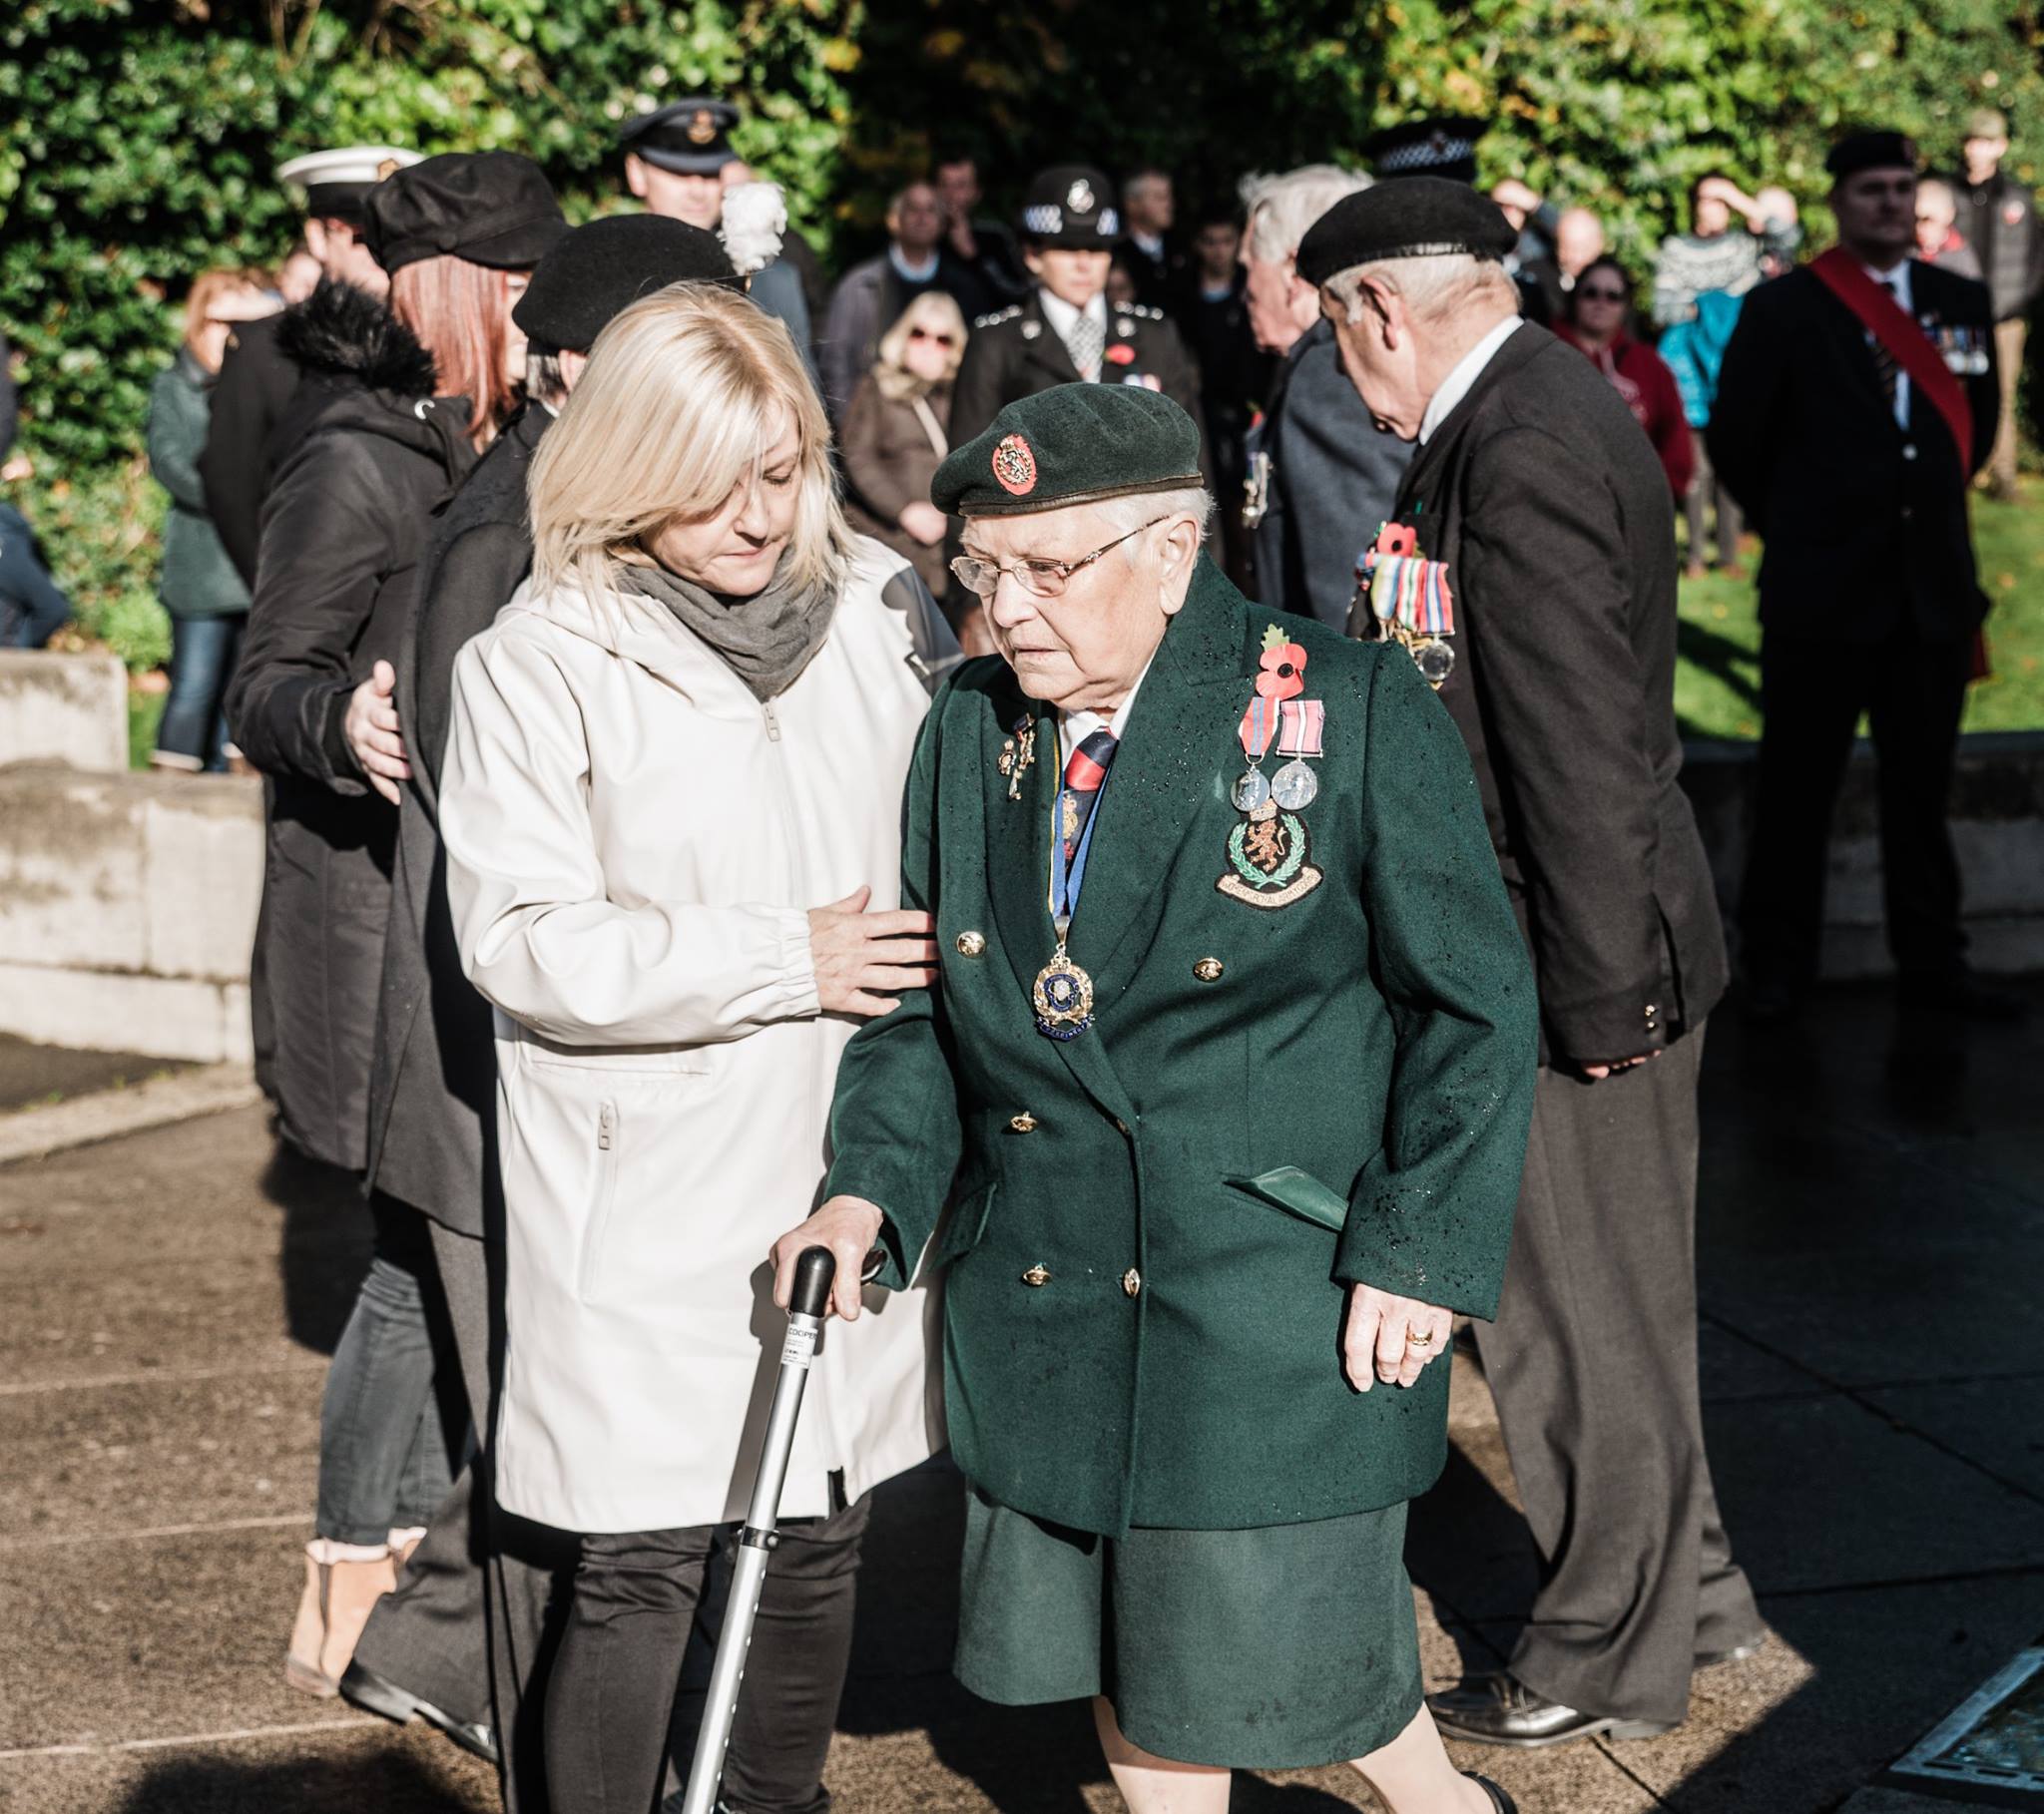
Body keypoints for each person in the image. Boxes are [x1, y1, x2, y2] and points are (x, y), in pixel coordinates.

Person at [766, 380, 1535, 1814]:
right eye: (981, 572)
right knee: (1140, 1666)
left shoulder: (1344, 705)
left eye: (1049, 569)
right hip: (1050, 1299)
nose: (1007, 613)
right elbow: (928, 1004)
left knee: (1320, 1676)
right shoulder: (969, 733)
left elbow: (1476, 1007)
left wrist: (1419, 1252)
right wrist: (865, 1188)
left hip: (1266, 1298)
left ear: (1175, 552)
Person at [436, 282, 951, 1814]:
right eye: (708, 478)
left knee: (814, 1529)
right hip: (644, 1179)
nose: (752, 514)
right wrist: (778, 953)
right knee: (645, 1555)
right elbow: (523, 938)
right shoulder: (534, 660)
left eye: (780, 469)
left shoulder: (873, 605)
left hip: (842, 1149)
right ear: (622, 465)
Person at [1296, 177, 1766, 1747]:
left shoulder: (1521, 441)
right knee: (1623, 1312)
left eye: (1335, 329)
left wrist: (1591, 999)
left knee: (1574, 1329)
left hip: (1568, 953)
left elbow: (1572, 744)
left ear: (1378, 309)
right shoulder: (1528, 409)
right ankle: (1689, 1596)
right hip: (1578, 937)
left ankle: (1597, 1653)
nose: (1339, 367)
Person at [334, 215, 749, 1803]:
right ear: (583, 367)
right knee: (556, 1505)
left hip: (549, 1085)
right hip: (506, 1093)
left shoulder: (570, 505)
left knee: (588, 1490)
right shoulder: (520, 533)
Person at [225, 150, 565, 1705]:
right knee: (408, 1255)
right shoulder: (360, 454)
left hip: (460, 912)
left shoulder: (520, 448)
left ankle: (394, 1580)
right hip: (368, 926)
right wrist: (338, 721)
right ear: (482, 293)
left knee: (445, 1244)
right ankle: (353, 1578)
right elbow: (260, 677)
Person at [1711, 131, 2018, 1026]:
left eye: (1901, 188)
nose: (1889, 202)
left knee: (1922, 794)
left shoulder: (1959, 297)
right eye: (1871, 189)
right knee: (1797, 792)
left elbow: (1975, 418)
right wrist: (1806, 526)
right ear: (1839, 203)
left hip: (1929, 597)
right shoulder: (1786, 308)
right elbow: (1737, 440)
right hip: (1821, 597)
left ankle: (1934, 966)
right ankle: (1778, 970)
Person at [200, 146, 423, 589]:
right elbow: (231, 486)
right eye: (361, 234)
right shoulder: (264, 348)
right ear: (318, 238)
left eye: (395, 233)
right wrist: (282, 593)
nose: (379, 251)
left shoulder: (430, 340)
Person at [1237, 164, 1411, 627]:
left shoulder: (1327, 372)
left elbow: (1346, 576)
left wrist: (1344, 692)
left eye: (1250, 267)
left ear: (1294, 270)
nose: (1246, 291)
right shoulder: (1325, 361)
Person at [949, 165, 1202, 446]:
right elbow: (968, 465)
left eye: (1096, 249)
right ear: (1032, 254)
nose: (1084, 264)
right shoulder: (996, 343)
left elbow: (1191, 456)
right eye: (1067, 248)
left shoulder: (1155, 336)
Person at [148, 267, 278, 772]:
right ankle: (168, 786)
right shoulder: (175, 386)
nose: (230, 334)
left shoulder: (259, 386)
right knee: (195, 682)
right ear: (199, 321)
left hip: (252, 561)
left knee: (241, 687)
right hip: (202, 566)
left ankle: (230, 788)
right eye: (220, 320)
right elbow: (170, 462)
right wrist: (234, 498)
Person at [1653, 176, 1795, 578]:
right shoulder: (1676, 249)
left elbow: (1787, 239)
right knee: (1698, 468)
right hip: (1690, 378)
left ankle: (1729, 553)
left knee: (1733, 462)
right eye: (1707, 199)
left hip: (1737, 370)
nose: (1713, 207)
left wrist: (1740, 198)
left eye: (1722, 201)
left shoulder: (1743, 247)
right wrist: (1716, 306)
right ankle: (1696, 554)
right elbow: (1663, 308)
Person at [618, 98, 815, 376]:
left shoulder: (771, 281)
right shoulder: (606, 265)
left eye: (710, 174)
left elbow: (804, 400)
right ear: (636, 172)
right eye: (679, 173)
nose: (697, 190)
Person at [839, 288, 968, 604]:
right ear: (903, 335)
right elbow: (857, 457)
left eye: (942, 339)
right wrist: (903, 510)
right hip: (891, 538)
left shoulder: (960, 396)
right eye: (919, 333)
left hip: (944, 549)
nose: (928, 346)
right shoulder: (877, 388)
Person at [1947, 109, 2043, 498]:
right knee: (1958, 387)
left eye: (1987, 142)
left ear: (2001, 147)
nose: (1978, 150)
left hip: (2005, 317)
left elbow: (2037, 259)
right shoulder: (1948, 194)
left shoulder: (2017, 198)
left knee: (2001, 393)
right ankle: (1965, 467)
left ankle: (2003, 473)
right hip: (1957, 312)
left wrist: (2017, 301)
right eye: (1972, 141)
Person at [1173, 203, 1268, 582]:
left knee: (1243, 512)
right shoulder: (1182, 293)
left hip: (1243, 414)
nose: (1218, 250)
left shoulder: (1251, 292)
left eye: (1226, 241)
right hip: (1201, 413)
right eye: (1210, 242)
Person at [1555, 255, 1694, 498]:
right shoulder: (1547, 355)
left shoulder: (1648, 365)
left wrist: (1659, 493)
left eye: (1613, 296)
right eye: (1591, 292)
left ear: (1626, 305)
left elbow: (1675, 437)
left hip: (1630, 505)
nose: (1601, 302)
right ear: (1575, 297)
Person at [820, 181, 957, 417]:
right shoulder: (860, 286)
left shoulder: (963, 287)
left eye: (931, 210)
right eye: (913, 209)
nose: (922, 218)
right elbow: (835, 363)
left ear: (942, 223)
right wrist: (851, 426)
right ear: (894, 220)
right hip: (871, 429)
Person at [934, 150, 1028, 313]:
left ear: (976, 193)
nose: (950, 194)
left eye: (960, 186)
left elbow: (1019, 295)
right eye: (944, 184)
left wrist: (974, 256)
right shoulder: (917, 239)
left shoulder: (995, 238)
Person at [1114, 166, 1180, 310]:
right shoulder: (1114, 254)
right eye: (1159, 197)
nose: (1168, 204)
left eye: (1168, 196)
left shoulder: (1182, 249)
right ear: (1131, 204)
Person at [1916, 178, 1983, 279]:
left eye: (1928, 219)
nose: (1919, 228)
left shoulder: (1961, 258)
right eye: (1915, 219)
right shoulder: (1904, 251)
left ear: (1948, 215)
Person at [1554, 206, 1607, 293]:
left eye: (1583, 249)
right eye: (1566, 249)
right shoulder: (1538, 279)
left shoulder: (1613, 283)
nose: (1575, 258)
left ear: (1599, 245)